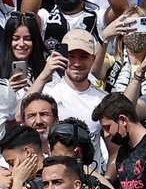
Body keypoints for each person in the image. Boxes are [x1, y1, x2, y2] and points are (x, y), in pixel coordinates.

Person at [30, 29, 107, 167]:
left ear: (93, 59)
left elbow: (113, 150)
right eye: (71, 56)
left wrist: (105, 181)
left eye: (84, 57)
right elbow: (20, 115)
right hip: (52, 176)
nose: (77, 63)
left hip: (90, 178)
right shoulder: (47, 92)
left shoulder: (103, 99)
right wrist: (45, 73)